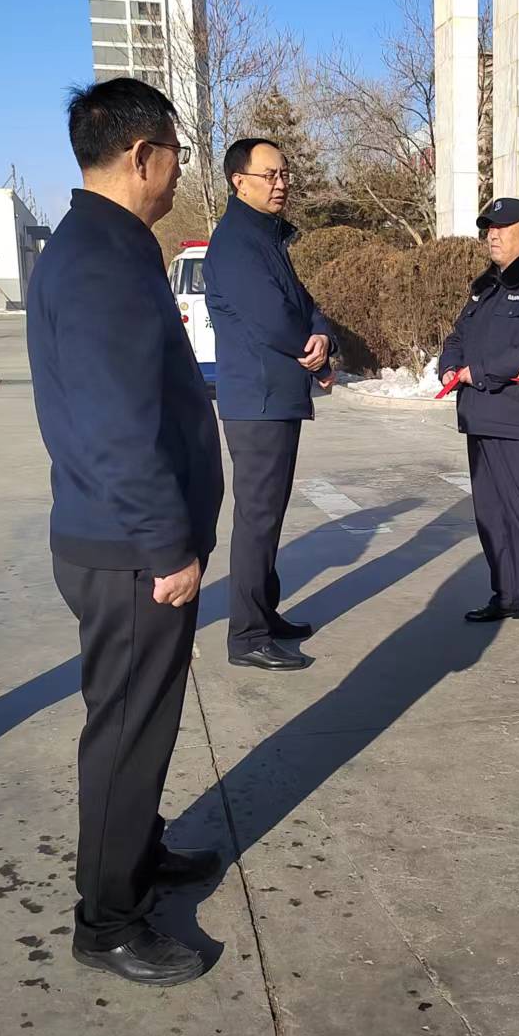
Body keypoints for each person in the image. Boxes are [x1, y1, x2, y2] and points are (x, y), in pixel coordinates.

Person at [27, 79, 225, 987]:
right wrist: (167, 545)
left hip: (118, 535)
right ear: (141, 155)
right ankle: (107, 919)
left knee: (139, 724)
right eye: (176, 154)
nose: (179, 170)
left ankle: (136, 852)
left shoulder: (104, 245)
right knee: (127, 734)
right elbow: (115, 425)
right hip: (128, 547)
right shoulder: (101, 259)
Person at [203, 137, 337, 672]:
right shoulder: (236, 243)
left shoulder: (266, 237)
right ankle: (247, 636)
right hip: (256, 400)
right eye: (270, 175)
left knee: (269, 516)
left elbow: (303, 303)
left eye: (284, 174)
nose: (281, 184)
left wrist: (323, 332)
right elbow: (274, 319)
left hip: (275, 397)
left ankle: (264, 613)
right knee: (257, 519)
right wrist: (317, 359)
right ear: (239, 182)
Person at [441, 197, 519, 637]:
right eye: (488, 229)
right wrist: (449, 365)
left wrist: (479, 371)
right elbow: (458, 335)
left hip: (517, 417)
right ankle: (507, 593)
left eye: (501, 228)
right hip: (478, 416)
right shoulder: (487, 286)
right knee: (491, 514)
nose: (491, 236)